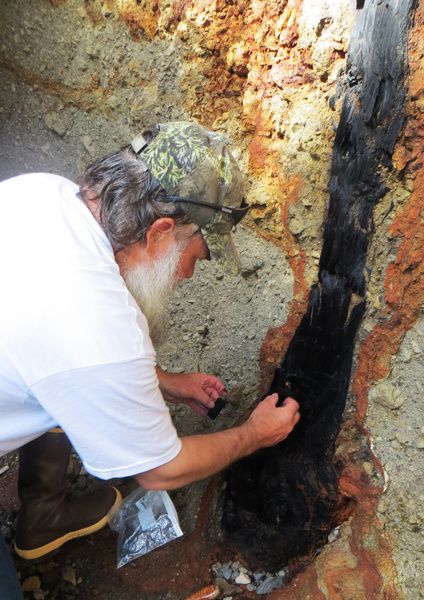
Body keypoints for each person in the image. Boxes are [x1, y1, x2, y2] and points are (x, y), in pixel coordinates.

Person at [0, 121, 300, 597]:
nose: (189, 275)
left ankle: (45, 519)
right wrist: (254, 434)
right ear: (161, 232)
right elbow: (160, 469)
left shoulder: (42, 192)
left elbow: (59, 357)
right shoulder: (99, 328)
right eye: (196, 257)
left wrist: (165, 382)